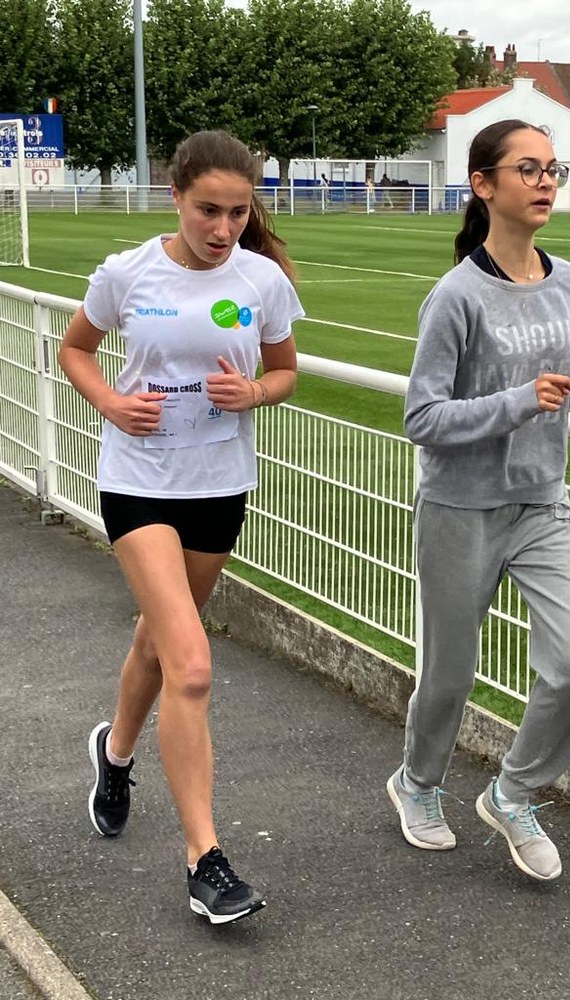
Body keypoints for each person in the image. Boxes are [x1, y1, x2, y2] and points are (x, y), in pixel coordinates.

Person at [58, 130, 304, 924]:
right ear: (175, 196)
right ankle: (205, 861)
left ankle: (115, 753)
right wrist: (110, 402)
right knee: (191, 666)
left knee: (159, 640)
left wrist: (256, 394)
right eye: (208, 211)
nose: (223, 228)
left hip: (218, 486)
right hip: (137, 484)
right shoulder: (127, 273)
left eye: (237, 212)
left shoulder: (261, 279)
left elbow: (285, 370)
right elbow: (76, 349)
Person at [387, 119, 570, 881]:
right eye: (528, 169)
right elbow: (423, 418)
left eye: (552, 168)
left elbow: (546, 390)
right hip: (460, 508)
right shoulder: (456, 296)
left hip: (542, 503)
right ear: (483, 184)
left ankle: (514, 792)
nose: (545, 181)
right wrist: (522, 400)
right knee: (450, 675)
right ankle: (417, 783)